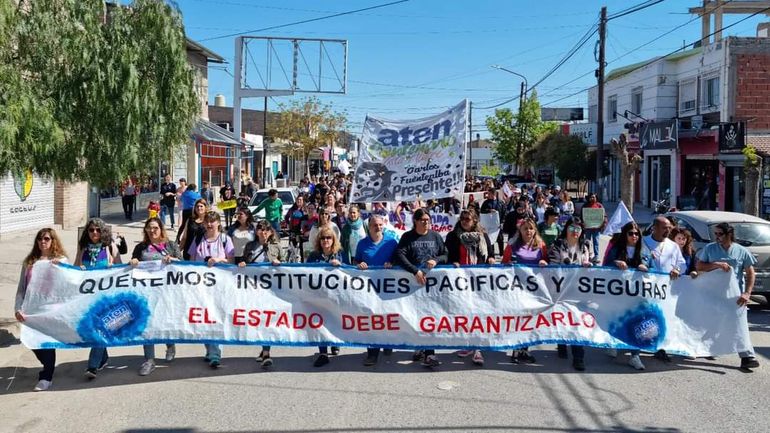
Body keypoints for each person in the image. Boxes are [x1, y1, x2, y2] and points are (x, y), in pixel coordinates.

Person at [696, 222, 761, 371]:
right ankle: (708, 347)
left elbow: (750, 272)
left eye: (720, 234)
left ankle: (747, 357)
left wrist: (747, 292)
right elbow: (699, 266)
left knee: (739, 324)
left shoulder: (741, 251)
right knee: (713, 323)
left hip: (735, 295)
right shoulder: (710, 249)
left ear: (729, 234)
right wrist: (716, 265)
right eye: (716, 234)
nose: (717, 237)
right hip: (713, 294)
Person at [393, 207, 448, 368]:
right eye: (423, 220)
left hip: (432, 287)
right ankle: (419, 346)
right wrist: (414, 270)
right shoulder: (408, 237)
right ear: (415, 221)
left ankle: (429, 354)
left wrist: (437, 260)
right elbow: (399, 255)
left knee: (429, 318)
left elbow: (446, 254)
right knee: (414, 317)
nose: (426, 223)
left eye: (428, 220)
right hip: (413, 285)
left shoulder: (436, 236)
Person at [15, 228, 68, 391]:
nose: (42, 242)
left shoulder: (61, 260)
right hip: (31, 308)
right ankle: (48, 365)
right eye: (40, 239)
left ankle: (46, 376)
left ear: (53, 241)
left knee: (46, 342)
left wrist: (62, 268)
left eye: (46, 239)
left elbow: (69, 284)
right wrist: (17, 307)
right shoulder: (30, 262)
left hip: (50, 309)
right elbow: (21, 288)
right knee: (32, 341)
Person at [129, 218, 181, 376]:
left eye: (155, 228)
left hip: (166, 292)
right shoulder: (141, 247)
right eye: (149, 228)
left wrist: (173, 260)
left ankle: (170, 345)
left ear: (161, 229)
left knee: (164, 322)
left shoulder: (171, 245)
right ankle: (149, 360)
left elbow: (183, 265)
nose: (152, 231)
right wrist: (133, 262)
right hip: (146, 294)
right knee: (147, 324)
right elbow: (133, 264)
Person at [445, 209, 495, 366]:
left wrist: (492, 259)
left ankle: (478, 348)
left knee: (478, 313)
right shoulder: (453, 236)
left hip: (479, 280)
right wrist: (452, 262)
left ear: (475, 221)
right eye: (463, 218)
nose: (465, 221)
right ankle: (467, 344)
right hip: (460, 281)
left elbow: (490, 253)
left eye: (468, 219)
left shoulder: (482, 236)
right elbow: (447, 255)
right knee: (464, 313)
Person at [188, 211, 235, 368]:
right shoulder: (199, 239)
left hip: (219, 286)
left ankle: (216, 352)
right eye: (207, 221)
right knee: (204, 318)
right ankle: (209, 349)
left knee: (215, 317)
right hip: (201, 286)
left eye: (212, 222)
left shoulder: (225, 239)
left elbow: (231, 260)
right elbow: (191, 259)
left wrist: (219, 260)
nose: (209, 224)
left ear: (218, 224)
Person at [603, 221, 651, 370]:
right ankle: (613, 342)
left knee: (637, 322)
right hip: (619, 293)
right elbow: (605, 267)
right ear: (625, 234)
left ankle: (635, 355)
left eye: (637, 233)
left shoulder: (644, 250)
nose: (634, 236)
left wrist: (646, 266)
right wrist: (616, 263)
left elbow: (653, 268)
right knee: (618, 319)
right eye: (631, 233)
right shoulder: (617, 248)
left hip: (638, 294)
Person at [237, 220, 285, 369]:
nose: (263, 232)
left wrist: (278, 263)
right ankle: (263, 349)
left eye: (266, 230)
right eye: (260, 229)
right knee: (257, 320)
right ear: (256, 232)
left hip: (270, 290)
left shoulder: (276, 247)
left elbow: (287, 268)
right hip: (253, 288)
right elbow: (242, 262)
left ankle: (266, 352)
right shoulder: (250, 246)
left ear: (270, 232)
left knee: (267, 319)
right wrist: (243, 264)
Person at [548, 218, 593, 371]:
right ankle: (561, 342)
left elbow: (590, 263)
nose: (575, 232)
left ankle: (578, 356)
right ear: (566, 229)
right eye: (572, 228)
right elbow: (553, 267)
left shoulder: (586, 246)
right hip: (561, 290)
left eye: (578, 229)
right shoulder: (557, 245)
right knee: (563, 319)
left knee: (577, 322)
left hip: (579, 290)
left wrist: (588, 266)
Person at [354, 215, 399, 366]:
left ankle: (387, 343)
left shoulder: (392, 242)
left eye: (380, 225)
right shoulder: (362, 244)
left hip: (388, 287)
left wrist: (392, 263)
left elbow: (399, 259)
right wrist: (359, 264)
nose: (378, 227)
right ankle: (372, 353)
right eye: (375, 225)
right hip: (369, 288)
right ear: (369, 226)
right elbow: (356, 261)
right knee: (371, 319)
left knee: (386, 317)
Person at [501, 218, 547, 364]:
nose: (528, 231)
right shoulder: (512, 246)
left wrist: (544, 263)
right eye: (525, 228)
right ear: (520, 230)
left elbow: (548, 264)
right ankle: (516, 349)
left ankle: (525, 350)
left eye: (531, 228)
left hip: (535, 289)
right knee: (518, 319)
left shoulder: (541, 245)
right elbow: (503, 264)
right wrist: (508, 264)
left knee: (531, 320)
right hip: (517, 289)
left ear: (535, 230)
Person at [642, 216, 686, 363]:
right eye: (664, 228)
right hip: (646, 287)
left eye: (669, 228)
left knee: (663, 316)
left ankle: (661, 347)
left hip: (665, 289)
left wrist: (677, 269)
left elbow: (682, 263)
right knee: (647, 316)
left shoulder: (673, 245)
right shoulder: (644, 243)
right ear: (654, 228)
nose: (668, 231)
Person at [74, 218, 114, 379]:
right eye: (91, 230)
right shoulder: (83, 247)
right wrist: (79, 267)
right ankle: (103, 358)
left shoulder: (108, 246)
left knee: (100, 329)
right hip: (87, 297)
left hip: (105, 297)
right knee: (94, 330)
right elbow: (75, 266)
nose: (95, 233)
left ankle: (92, 366)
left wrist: (112, 267)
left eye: (98, 230)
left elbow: (120, 267)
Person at [307, 226, 347, 367]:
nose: (325, 240)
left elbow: (348, 271)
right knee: (320, 322)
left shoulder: (340, 253)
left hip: (335, 296)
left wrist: (340, 266)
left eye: (328, 237)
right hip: (318, 295)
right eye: (323, 238)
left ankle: (334, 342)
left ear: (333, 239)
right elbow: (304, 273)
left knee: (334, 320)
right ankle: (323, 352)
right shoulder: (313, 255)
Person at [580, 192, 606, 263]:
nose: (592, 198)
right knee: (587, 242)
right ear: (588, 198)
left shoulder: (599, 206)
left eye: (594, 197)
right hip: (587, 228)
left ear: (596, 198)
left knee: (596, 242)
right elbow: (581, 217)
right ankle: (586, 255)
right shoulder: (585, 206)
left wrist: (602, 224)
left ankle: (596, 256)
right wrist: (583, 224)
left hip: (596, 228)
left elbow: (604, 216)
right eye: (591, 197)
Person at [480, 189, 506, 256]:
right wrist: (489, 210)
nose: (488, 195)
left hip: (498, 225)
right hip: (489, 225)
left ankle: (501, 253)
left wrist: (502, 222)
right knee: (491, 240)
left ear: (493, 194)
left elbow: (504, 213)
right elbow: (482, 211)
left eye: (489, 194)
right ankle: (492, 254)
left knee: (500, 239)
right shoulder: (486, 203)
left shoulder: (501, 203)